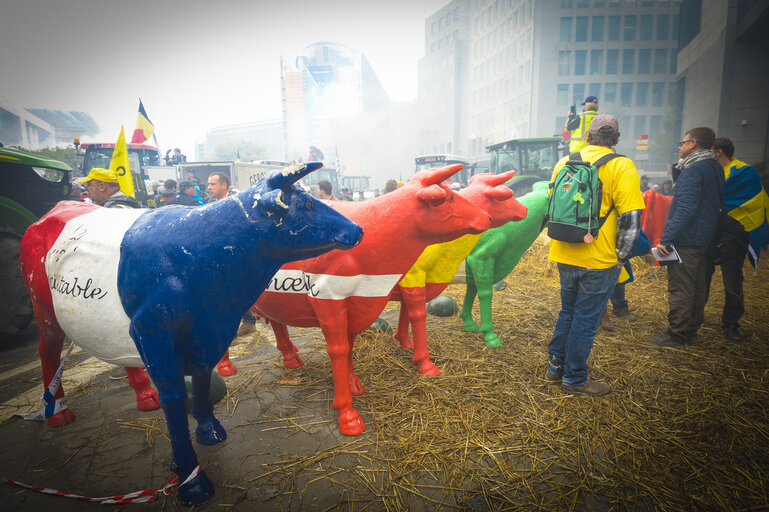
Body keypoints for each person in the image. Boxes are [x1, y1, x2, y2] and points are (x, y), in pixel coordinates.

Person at [545, 114, 645, 396]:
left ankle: (555, 367)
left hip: (563, 251)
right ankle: (575, 379)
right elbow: (631, 219)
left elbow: (550, 202)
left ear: (587, 137)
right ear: (615, 140)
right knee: (587, 318)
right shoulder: (621, 165)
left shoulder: (565, 162)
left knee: (568, 311)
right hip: (599, 258)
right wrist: (621, 257)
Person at [644, 127, 722, 348]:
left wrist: (666, 239)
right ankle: (690, 331)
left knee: (681, 288)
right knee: (698, 286)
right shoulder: (713, 167)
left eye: (683, 142)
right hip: (704, 237)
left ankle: (676, 334)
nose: (680, 146)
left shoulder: (694, 171)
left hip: (687, 239)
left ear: (693, 144)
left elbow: (685, 209)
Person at [706, 138, 767, 342]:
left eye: (711, 151)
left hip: (734, 236)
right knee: (702, 278)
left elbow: (754, 199)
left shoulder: (744, 173)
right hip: (711, 233)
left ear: (718, 152)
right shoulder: (709, 170)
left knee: (732, 282)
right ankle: (695, 317)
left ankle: (731, 324)